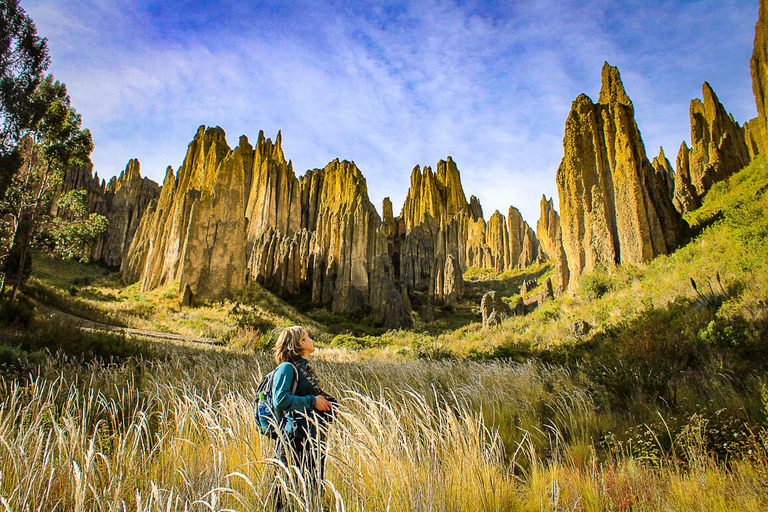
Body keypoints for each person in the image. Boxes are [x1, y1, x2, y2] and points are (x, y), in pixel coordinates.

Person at [270, 326, 334, 511]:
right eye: (308, 337)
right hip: (293, 440)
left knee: (311, 493)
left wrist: (327, 406)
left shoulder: (305, 369)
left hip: (312, 442)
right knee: (287, 496)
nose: (312, 339)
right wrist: (312, 401)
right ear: (301, 343)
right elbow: (280, 400)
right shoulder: (286, 368)